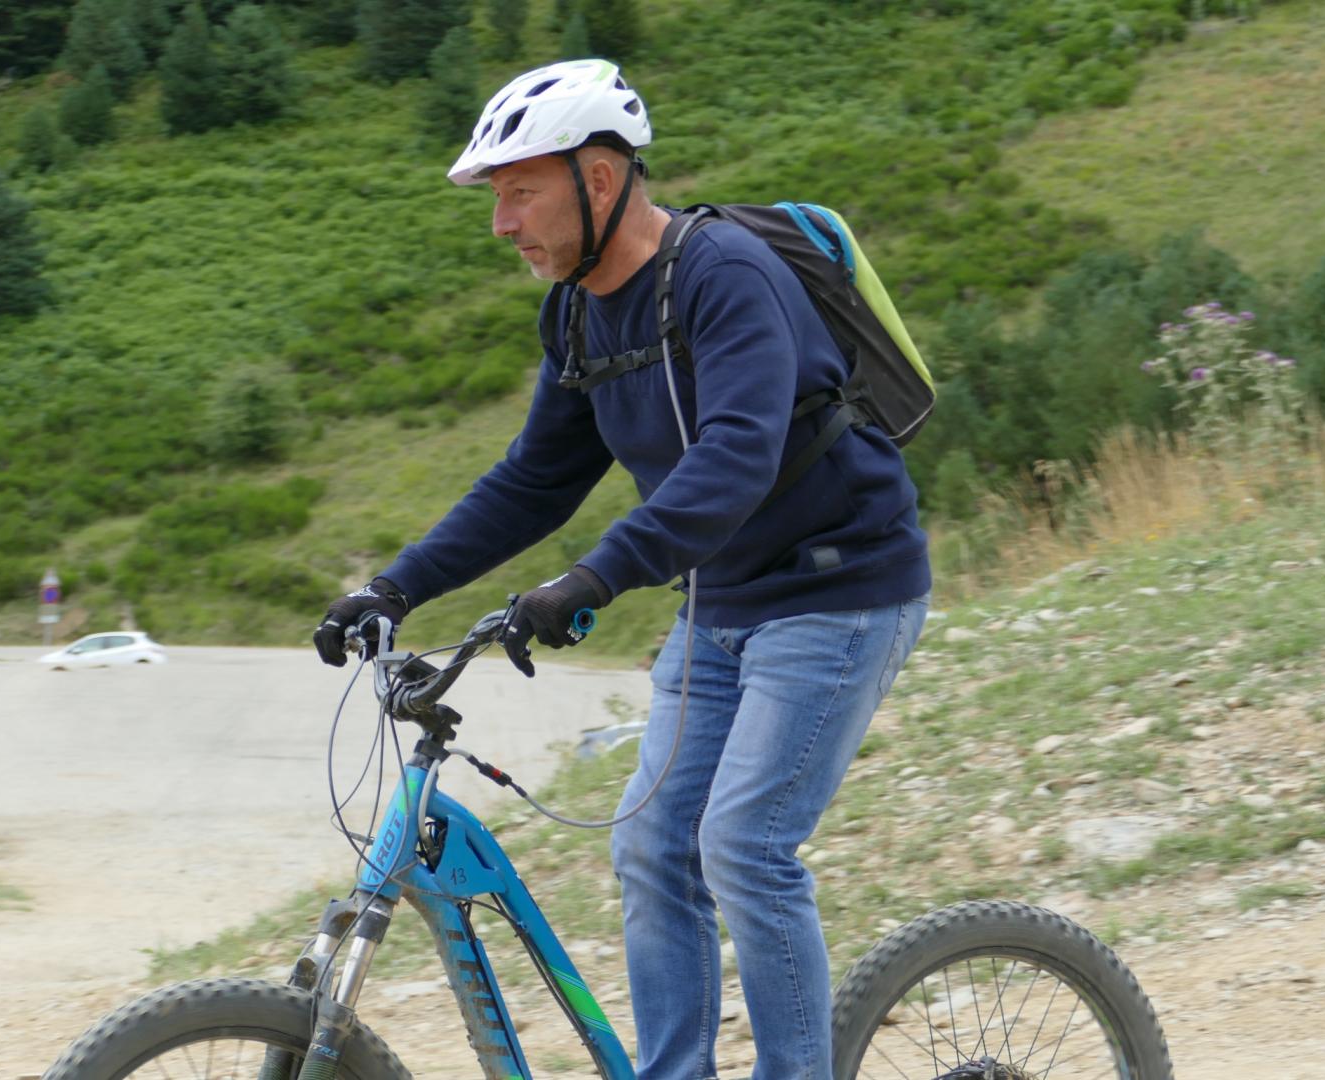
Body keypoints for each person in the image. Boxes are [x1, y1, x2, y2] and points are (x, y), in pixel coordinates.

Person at [311, 59, 930, 1080]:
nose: (502, 223)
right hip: (722, 601)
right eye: (498, 199)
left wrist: (594, 579)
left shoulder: (723, 273)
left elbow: (736, 457)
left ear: (599, 180)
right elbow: (533, 481)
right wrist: (395, 586)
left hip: (841, 591)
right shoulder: (576, 311)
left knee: (742, 846)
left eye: (519, 192)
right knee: (652, 847)